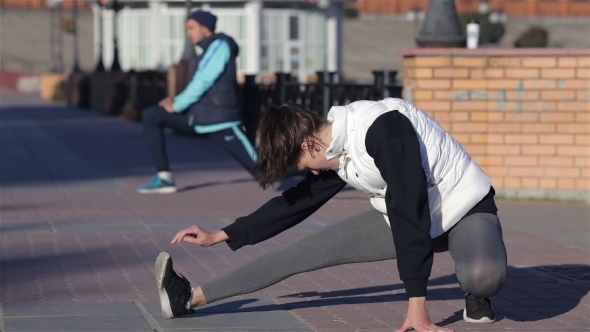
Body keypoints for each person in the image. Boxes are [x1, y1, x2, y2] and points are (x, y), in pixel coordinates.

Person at [155, 98, 508, 332]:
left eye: (300, 163)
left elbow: (410, 208)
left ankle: (475, 292)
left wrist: (417, 307)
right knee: (300, 252)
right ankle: (188, 297)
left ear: (308, 143)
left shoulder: (382, 130)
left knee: (483, 275)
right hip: (406, 216)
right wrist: (224, 234)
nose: (307, 171)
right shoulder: (332, 148)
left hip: (463, 208)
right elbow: (298, 202)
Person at [137, 10, 257, 194]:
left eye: (192, 28)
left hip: (220, 121)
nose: (188, 33)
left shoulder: (220, 45)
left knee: (264, 171)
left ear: (206, 28)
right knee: (152, 115)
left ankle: (311, 168)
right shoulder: (208, 50)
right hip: (199, 119)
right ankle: (164, 178)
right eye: (187, 29)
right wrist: (175, 100)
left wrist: (177, 105)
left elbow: (203, 81)